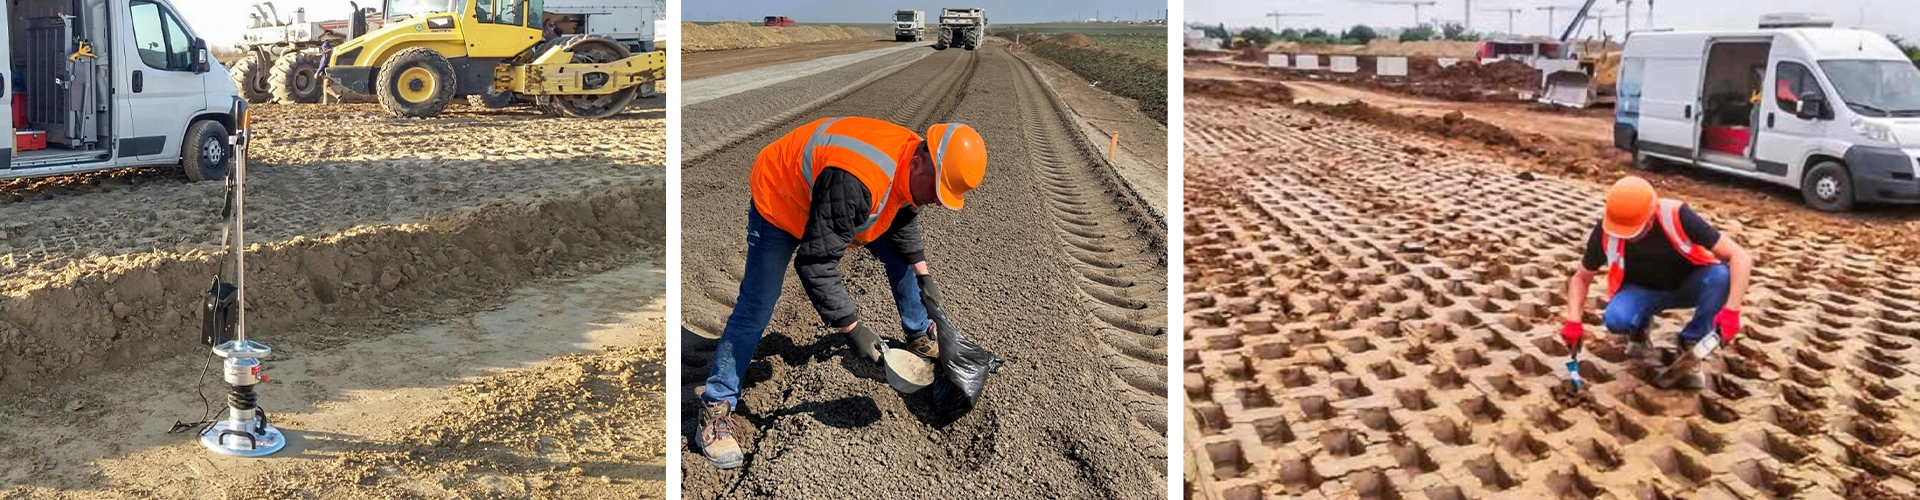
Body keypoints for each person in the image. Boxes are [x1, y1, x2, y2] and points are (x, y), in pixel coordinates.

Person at [696, 116, 988, 469]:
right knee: (756, 306)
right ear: (918, 164)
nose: (940, 203)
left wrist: (922, 273)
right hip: (783, 198)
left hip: (831, 196)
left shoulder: (914, 153)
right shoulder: (858, 180)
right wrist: (853, 329)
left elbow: (902, 218)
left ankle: (918, 334)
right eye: (939, 192)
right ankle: (716, 407)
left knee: (902, 260)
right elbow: (816, 263)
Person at [1560, 176, 1755, 389]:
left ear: (1651, 218)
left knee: (1721, 276)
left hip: (1687, 286)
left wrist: (1732, 311)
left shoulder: (1676, 215)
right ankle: (1639, 332)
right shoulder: (1606, 230)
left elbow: (1740, 257)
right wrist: (1573, 321)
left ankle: (1691, 344)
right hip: (1642, 292)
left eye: (1633, 231)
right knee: (1616, 318)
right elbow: (1581, 277)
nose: (1626, 237)